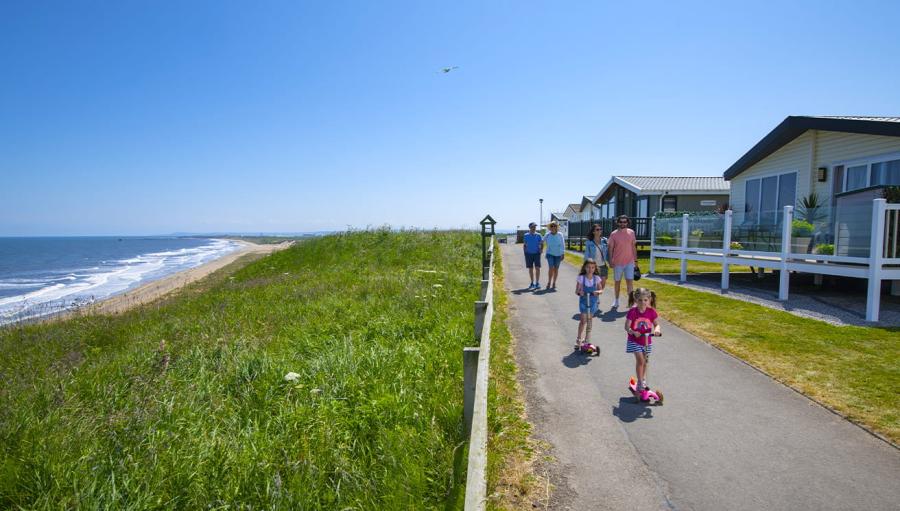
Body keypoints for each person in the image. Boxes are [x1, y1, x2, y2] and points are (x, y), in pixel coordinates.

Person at [624, 287, 661, 397]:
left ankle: (642, 380)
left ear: (649, 299)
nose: (643, 303)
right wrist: (633, 332)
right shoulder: (632, 312)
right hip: (634, 340)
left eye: (645, 300)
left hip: (646, 341)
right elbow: (626, 326)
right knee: (640, 361)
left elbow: (656, 324)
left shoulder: (651, 312)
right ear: (635, 300)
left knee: (645, 362)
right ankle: (640, 383)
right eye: (640, 300)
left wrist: (657, 329)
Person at [607, 215, 637, 308]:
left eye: (625, 222)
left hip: (629, 262)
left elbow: (633, 247)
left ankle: (631, 302)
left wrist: (636, 260)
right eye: (621, 222)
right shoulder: (613, 234)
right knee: (617, 282)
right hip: (617, 262)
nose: (623, 224)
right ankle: (616, 301)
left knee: (630, 283)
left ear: (627, 222)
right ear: (618, 223)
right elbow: (610, 248)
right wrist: (610, 261)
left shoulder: (631, 232)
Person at [575, 259, 602, 350]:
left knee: (589, 321)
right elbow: (577, 291)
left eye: (592, 267)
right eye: (588, 267)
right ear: (585, 267)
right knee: (583, 321)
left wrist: (597, 292)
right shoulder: (581, 278)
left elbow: (601, 290)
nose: (590, 269)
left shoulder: (596, 278)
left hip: (593, 302)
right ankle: (579, 338)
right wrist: (580, 292)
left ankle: (587, 340)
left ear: (595, 268)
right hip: (584, 301)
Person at [583, 223, 609, 301]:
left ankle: (597, 295)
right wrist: (586, 265)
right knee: (595, 283)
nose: (599, 231)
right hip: (594, 266)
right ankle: (595, 298)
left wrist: (610, 261)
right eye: (597, 229)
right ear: (593, 232)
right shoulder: (589, 242)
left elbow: (607, 253)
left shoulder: (604, 240)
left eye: (600, 229)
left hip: (603, 265)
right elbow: (587, 254)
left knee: (603, 283)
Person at [543, 221, 565, 290]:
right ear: (550, 227)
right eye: (551, 226)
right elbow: (542, 241)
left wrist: (563, 253)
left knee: (556, 269)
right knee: (551, 268)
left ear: (556, 227)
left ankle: (554, 283)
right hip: (550, 254)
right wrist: (540, 247)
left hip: (558, 254)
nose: (553, 227)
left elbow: (562, 244)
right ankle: (549, 282)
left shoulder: (560, 234)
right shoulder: (547, 235)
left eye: (554, 226)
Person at [523, 222, 543, 290]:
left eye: (535, 227)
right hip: (528, 254)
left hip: (537, 254)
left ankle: (537, 283)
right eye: (532, 227)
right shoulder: (526, 235)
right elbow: (525, 245)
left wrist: (541, 250)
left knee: (537, 268)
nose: (534, 228)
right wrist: (525, 253)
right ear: (530, 227)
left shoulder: (539, 235)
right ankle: (532, 283)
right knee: (530, 269)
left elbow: (541, 243)